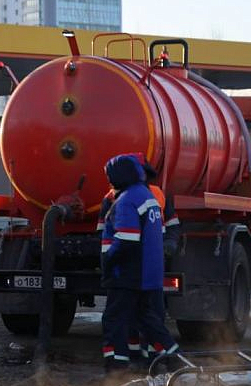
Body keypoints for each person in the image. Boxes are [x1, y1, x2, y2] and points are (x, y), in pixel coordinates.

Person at [96, 153, 180, 360]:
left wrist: (108, 261)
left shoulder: (125, 200)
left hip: (127, 272)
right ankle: (171, 359)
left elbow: (126, 240)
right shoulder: (149, 196)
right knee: (147, 318)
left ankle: (118, 369)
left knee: (115, 320)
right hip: (149, 270)